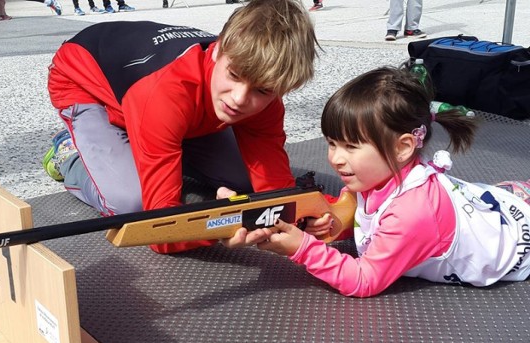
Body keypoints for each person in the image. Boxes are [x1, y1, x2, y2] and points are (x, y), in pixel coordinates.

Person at [42, 0, 324, 254]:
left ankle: (163, 139)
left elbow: (277, 192)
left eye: (262, 91)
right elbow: (159, 230)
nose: (239, 99)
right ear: (218, 51)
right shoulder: (166, 93)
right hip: (86, 83)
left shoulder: (258, 87)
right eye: (234, 75)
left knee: (245, 182)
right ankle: (69, 154)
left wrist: (309, 219)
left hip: (161, 105)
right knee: (131, 204)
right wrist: (224, 226)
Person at [223, 66, 530, 297]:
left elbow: (365, 280)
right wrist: (332, 225)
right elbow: (363, 217)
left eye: (351, 146)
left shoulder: (412, 211)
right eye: (332, 143)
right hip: (495, 205)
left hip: (517, 244)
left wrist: (303, 248)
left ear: (403, 147)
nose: (336, 158)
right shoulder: (375, 178)